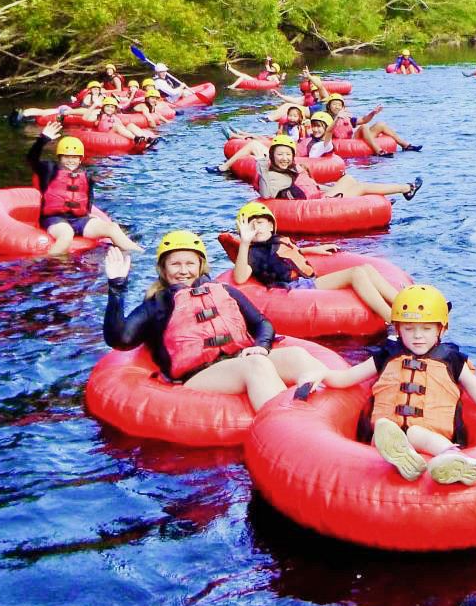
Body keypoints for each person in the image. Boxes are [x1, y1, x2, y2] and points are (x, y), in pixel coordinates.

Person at [305, 285, 476, 485]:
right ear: (398, 329)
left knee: (415, 432)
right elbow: (346, 378)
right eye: (409, 329)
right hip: (388, 436)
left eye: (426, 329)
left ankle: (451, 458)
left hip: (431, 434)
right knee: (383, 432)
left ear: (440, 330)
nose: (417, 336)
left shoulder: (452, 360)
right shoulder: (386, 356)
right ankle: (406, 458)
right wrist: (322, 373)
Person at [102, 234, 328, 410]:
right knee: (256, 366)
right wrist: (117, 287)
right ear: (163, 269)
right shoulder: (158, 304)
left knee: (295, 355)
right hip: (198, 375)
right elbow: (120, 339)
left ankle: (331, 392)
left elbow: (262, 323)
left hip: (237, 359)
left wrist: (261, 346)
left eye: (190, 264)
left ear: (200, 266)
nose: (183, 271)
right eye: (175, 264)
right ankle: (288, 422)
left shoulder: (222, 291)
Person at [231, 201, 400, 321]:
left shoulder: (277, 240)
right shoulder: (252, 252)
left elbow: (288, 255)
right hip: (293, 289)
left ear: (270, 225)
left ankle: (402, 303)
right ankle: (392, 319)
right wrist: (245, 242)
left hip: (306, 281)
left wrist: (314, 249)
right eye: (250, 226)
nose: (256, 229)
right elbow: (240, 278)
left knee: (367, 268)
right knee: (356, 273)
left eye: (259, 223)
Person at [31, 122, 146, 255]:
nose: (71, 160)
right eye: (66, 157)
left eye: (74, 157)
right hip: (55, 219)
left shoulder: (85, 174)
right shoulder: (49, 169)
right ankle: (45, 262)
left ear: (80, 159)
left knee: (112, 228)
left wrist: (88, 214)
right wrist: (43, 139)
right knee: (66, 234)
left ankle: (141, 254)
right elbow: (32, 158)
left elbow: (87, 197)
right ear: (60, 157)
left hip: (79, 220)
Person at [255, 135, 421, 202]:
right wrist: (261, 164)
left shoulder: (293, 170)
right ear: (272, 156)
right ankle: (406, 188)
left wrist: (331, 187)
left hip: (320, 197)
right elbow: (266, 193)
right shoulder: (274, 176)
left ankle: (365, 202)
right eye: (279, 155)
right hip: (318, 205)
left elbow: (312, 186)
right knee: (360, 187)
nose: (284, 158)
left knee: (347, 179)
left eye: (287, 154)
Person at [323, 95, 421, 155]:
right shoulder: (326, 117)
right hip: (342, 143)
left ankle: (405, 145)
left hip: (352, 139)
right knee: (364, 127)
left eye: (339, 105)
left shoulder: (347, 117)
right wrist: (337, 118)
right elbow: (327, 130)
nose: (337, 107)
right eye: (334, 104)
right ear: (329, 106)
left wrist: (373, 113)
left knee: (380, 124)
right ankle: (378, 150)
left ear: (343, 107)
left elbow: (363, 120)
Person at [77, 95, 157, 149]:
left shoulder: (116, 117)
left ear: (115, 109)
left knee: (130, 125)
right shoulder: (99, 116)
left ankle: (147, 139)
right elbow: (85, 118)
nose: (110, 109)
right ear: (103, 107)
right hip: (108, 135)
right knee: (117, 126)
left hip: (118, 133)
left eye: (112, 107)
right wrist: (94, 105)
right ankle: (135, 138)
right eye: (107, 106)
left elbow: (122, 127)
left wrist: (127, 129)